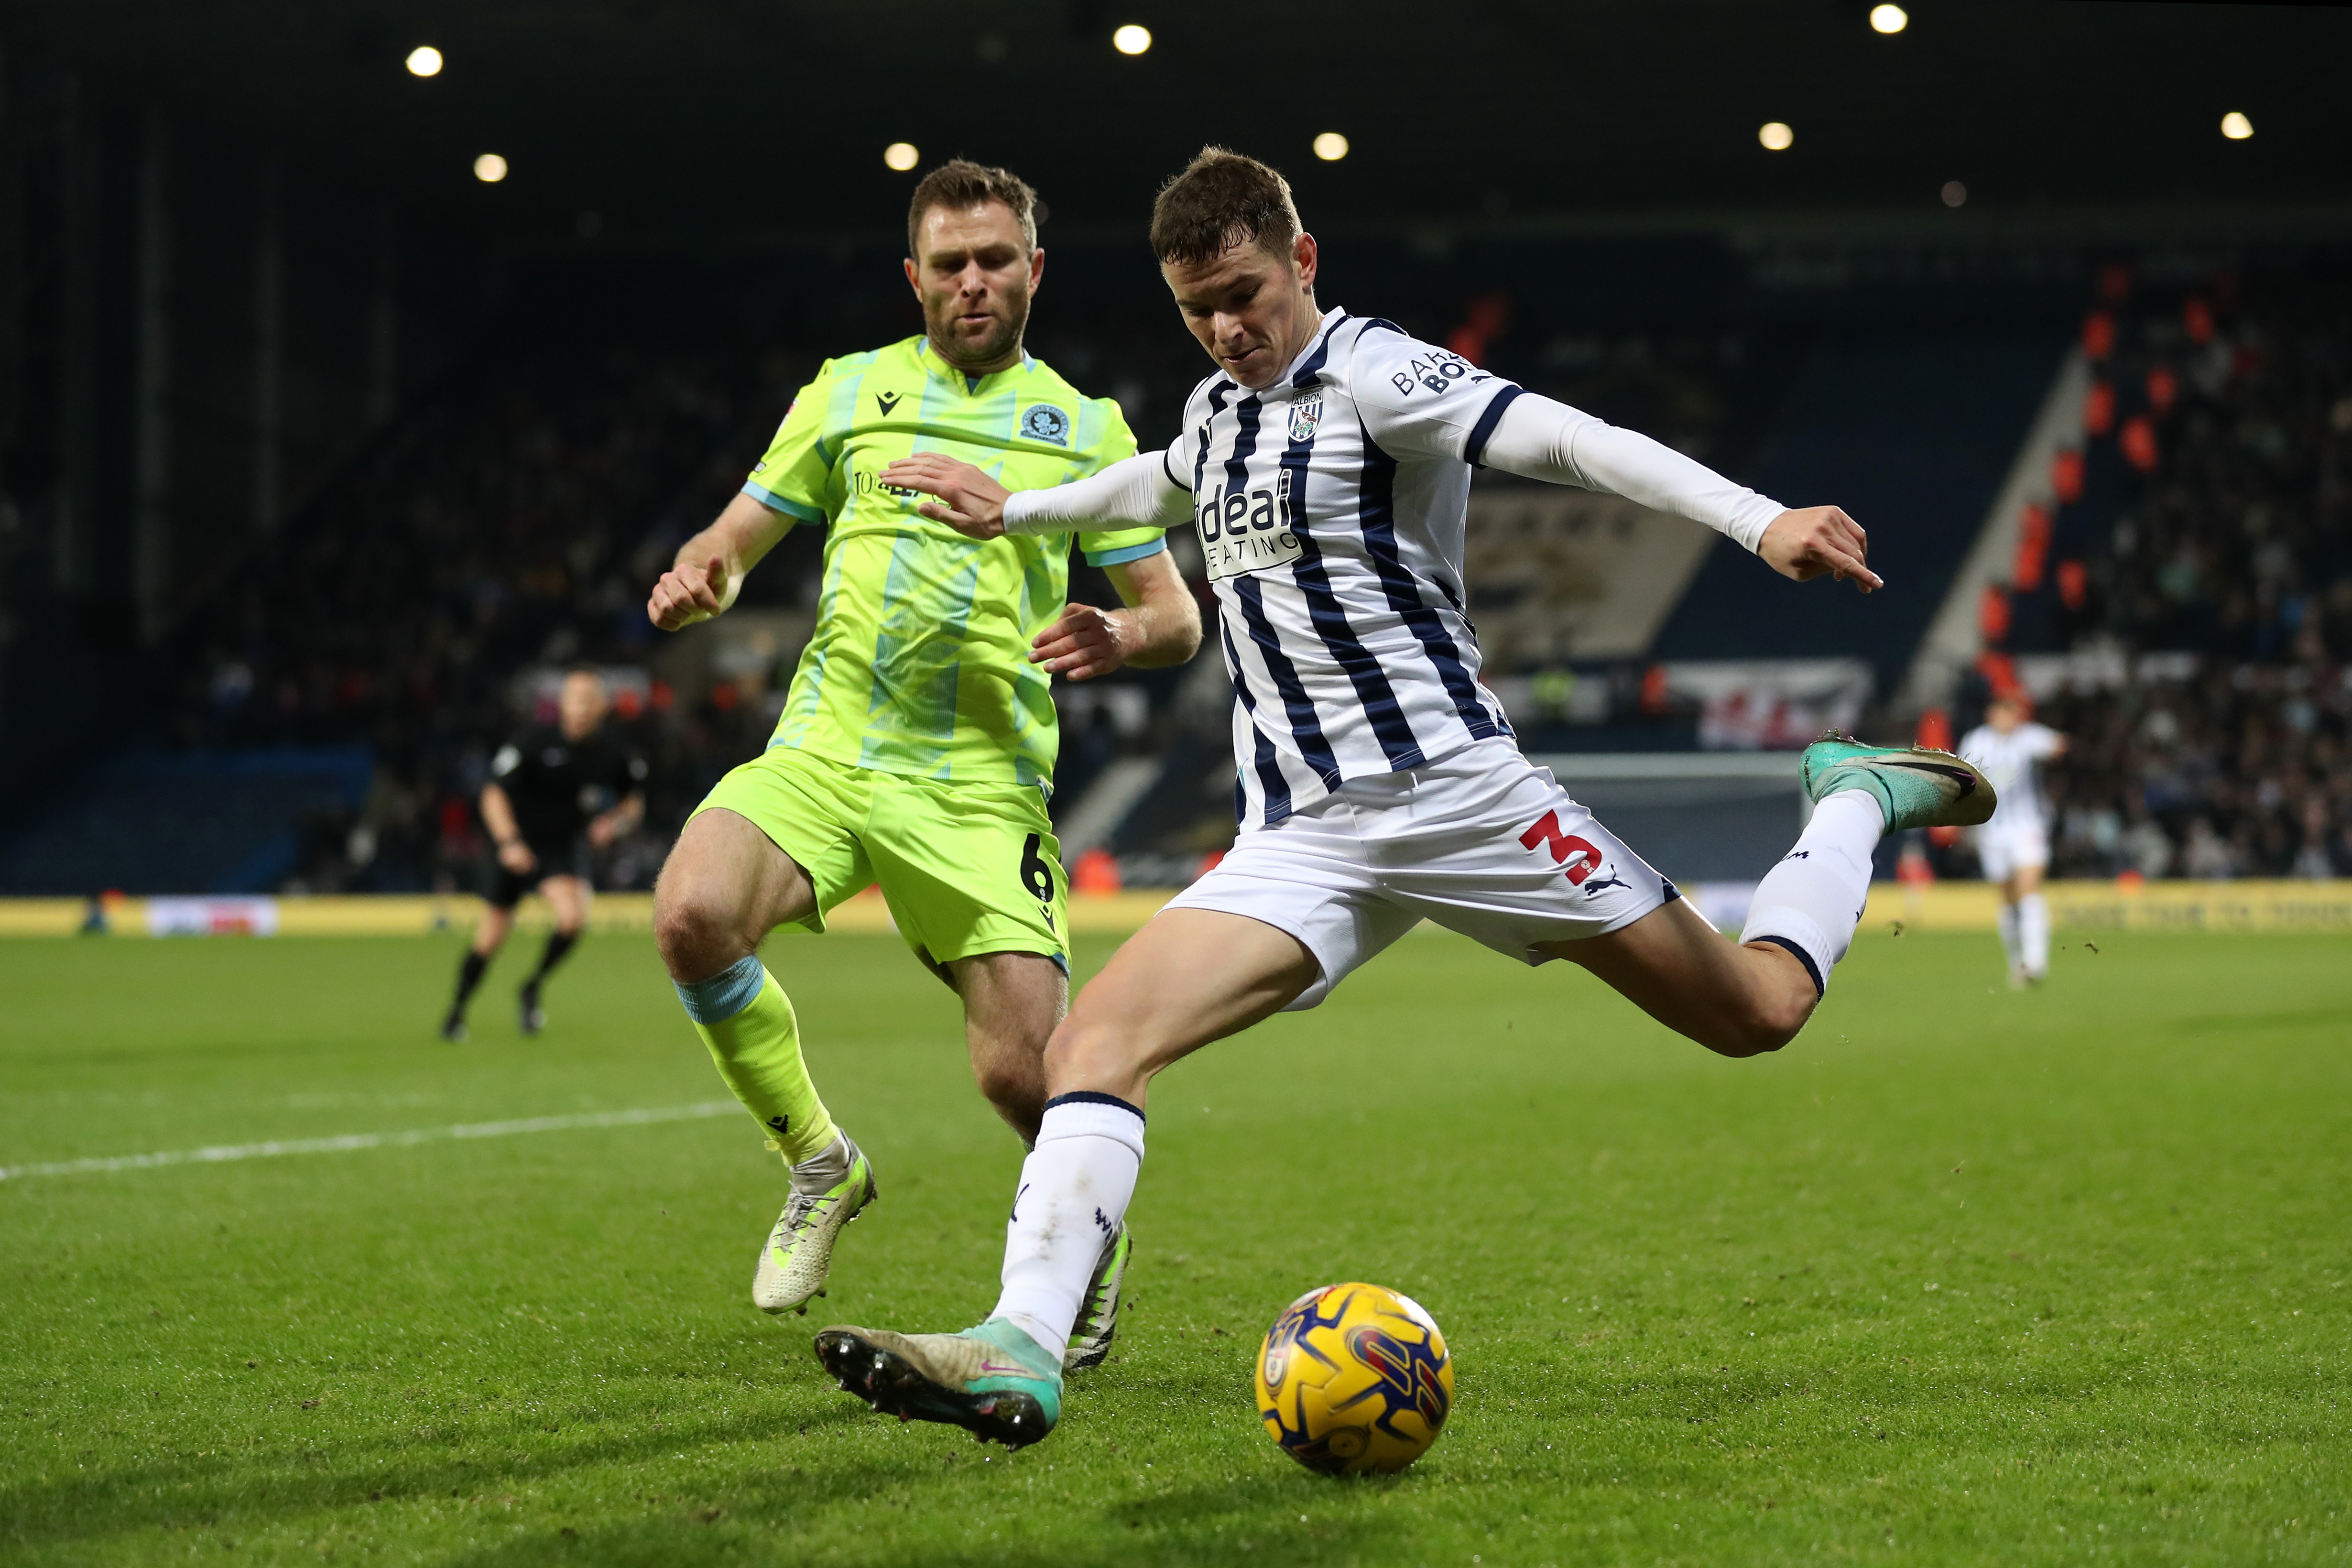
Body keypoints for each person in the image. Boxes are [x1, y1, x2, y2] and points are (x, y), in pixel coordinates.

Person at [809, 147, 1995, 1448]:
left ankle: (1854, 801)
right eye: (1198, 308)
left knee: (1758, 1013)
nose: (1228, 327)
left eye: (1248, 294)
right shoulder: (1217, 409)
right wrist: (1018, 511)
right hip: (1303, 836)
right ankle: (1020, 1350)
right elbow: (1153, 479)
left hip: (1463, 798)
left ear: (1303, 261)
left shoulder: (1382, 375)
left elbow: (1568, 440)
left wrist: (1756, 518)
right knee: (1089, 1049)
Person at [642, 161, 1201, 1349]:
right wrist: (706, 575)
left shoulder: (1087, 431)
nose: (972, 282)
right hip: (828, 747)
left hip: (980, 781)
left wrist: (1121, 627)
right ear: (914, 277)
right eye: (948, 264)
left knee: (1020, 1078)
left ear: (1034, 270)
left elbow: (1177, 617)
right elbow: (735, 537)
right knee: (691, 912)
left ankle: (1085, 1236)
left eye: (995, 259)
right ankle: (818, 1160)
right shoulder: (845, 392)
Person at [441, 667, 646, 1041]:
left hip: (561, 847)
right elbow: (493, 794)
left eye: (588, 700)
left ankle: (532, 985)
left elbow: (633, 803)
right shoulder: (532, 741)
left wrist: (615, 824)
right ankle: (457, 1011)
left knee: (572, 920)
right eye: (574, 699)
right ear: (561, 704)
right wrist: (509, 842)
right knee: (491, 936)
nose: (581, 708)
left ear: (602, 706)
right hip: (516, 843)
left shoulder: (615, 752)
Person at [1958, 692, 2068, 986]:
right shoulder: (1976, 741)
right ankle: (2017, 961)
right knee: (2008, 898)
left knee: (2029, 889)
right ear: (1992, 714)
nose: (2007, 719)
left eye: (2012, 713)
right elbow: (1962, 776)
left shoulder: (2028, 737)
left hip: (2027, 826)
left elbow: (2060, 746)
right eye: (2002, 712)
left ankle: (2036, 963)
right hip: (1992, 831)